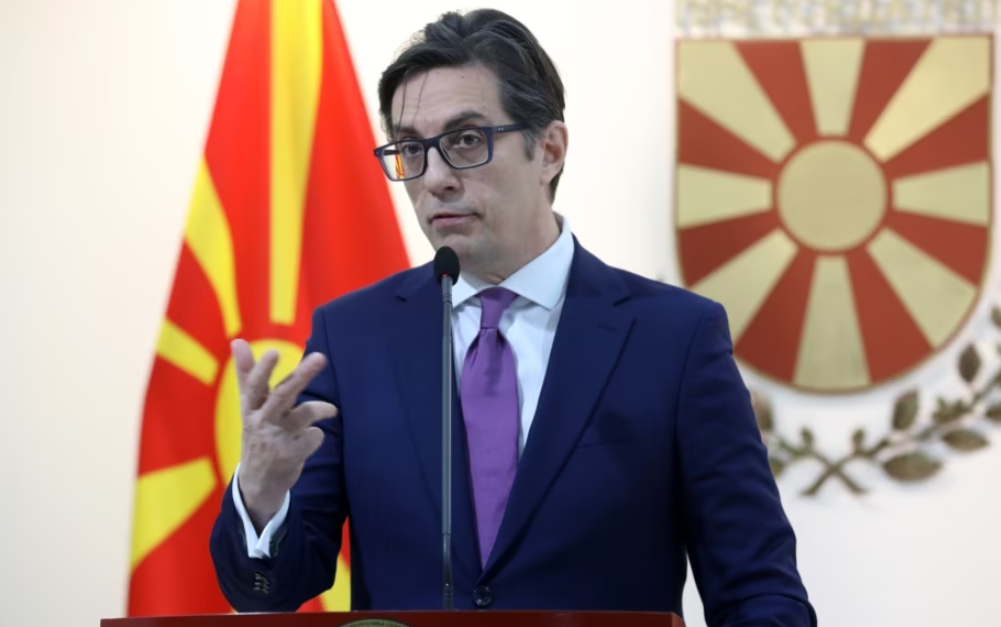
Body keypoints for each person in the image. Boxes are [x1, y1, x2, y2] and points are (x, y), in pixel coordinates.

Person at [209, 8, 815, 626]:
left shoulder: (673, 339)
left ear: (548, 150)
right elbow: (269, 594)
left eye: (466, 141)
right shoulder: (352, 338)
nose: (435, 179)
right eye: (411, 149)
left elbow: (759, 592)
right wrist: (261, 492)